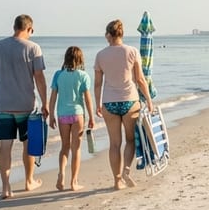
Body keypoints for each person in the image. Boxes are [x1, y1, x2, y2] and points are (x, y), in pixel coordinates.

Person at [0, 14, 48, 199]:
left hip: (3, 105)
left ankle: (6, 187)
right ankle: (29, 181)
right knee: (28, 144)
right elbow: (39, 78)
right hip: (26, 106)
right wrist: (46, 103)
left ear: (14, 27)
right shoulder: (33, 48)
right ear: (29, 29)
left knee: (5, 146)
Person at [94, 19, 154, 190]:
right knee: (130, 140)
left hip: (109, 102)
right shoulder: (132, 52)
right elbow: (140, 79)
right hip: (130, 101)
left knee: (114, 143)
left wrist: (98, 104)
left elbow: (98, 83)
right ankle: (127, 169)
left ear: (108, 34)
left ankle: (116, 180)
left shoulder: (100, 55)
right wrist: (149, 100)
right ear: (121, 34)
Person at [48, 46, 95, 192]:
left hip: (62, 115)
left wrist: (51, 115)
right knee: (76, 149)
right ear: (80, 59)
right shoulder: (83, 76)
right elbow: (87, 99)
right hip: (77, 115)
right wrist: (92, 117)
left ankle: (61, 174)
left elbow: (53, 97)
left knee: (64, 147)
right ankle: (74, 182)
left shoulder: (58, 75)